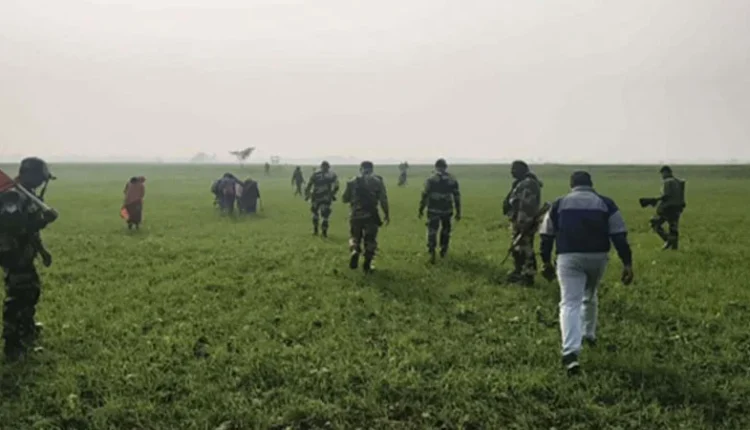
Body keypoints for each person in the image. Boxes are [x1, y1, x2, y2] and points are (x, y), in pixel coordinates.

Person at [539, 171, 634, 375]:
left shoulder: (559, 203)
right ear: (591, 183)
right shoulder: (606, 203)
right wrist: (627, 263)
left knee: (569, 303)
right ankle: (588, 334)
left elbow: (546, 235)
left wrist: (545, 261)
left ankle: (570, 353)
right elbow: (619, 235)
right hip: (598, 257)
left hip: (568, 257)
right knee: (590, 294)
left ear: (571, 184)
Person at [0, 157, 58, 361]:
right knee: (17, 296)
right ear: (30, 175)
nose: (42, 183)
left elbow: (31, 231)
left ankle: (27, 328)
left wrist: (42, 251)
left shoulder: (28, 194)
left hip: (24, 253)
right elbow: (14, 226)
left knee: (31, 291)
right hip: (12, 253)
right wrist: (44, 221)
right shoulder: (12, 196)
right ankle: (12, 343)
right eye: (41, 178)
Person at [342, 161, 390, 273]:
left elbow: (344, 198)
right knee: (370, 240)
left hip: (355, 215)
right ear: (372, 169)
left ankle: (354, 250)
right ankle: (367, 263)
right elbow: (383, 199)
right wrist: (386, 214)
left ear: (361, 169)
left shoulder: (352, 181)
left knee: (354, 237)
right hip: (371, 215)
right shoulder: (378, 181)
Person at [502, 160, 543, 285]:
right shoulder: (522, 182)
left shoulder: (528, 184)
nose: (512, 172)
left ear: (522, 170)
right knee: (518, 248)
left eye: (514, 169)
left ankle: (528, 275)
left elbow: (526, 205)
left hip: (524, 221)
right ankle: (518, 271)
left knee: (525, 249)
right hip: (518, 220)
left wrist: (524, 223)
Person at [419, 158, 461, 263]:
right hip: (447, 210)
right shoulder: (452, 179)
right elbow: (457, 197)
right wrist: (458, 211)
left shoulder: (431, 179)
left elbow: (424, 195)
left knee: (432, 231)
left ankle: (432, 252)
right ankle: (443, 250)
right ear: (445, 167)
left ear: (436, 166)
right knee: (446, 230)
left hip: (433, 210)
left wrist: (421, 209)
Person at [649, 166, 686, 250]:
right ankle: (674, 248)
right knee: (673, 228)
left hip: (668, 208)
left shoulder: (667, 182)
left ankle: (668, 240)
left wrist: (654, 199)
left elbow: (666, 195)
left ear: (666, 172)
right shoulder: (679, 181)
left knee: (655, 223)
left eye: (662, 173)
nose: (662, 176)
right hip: (678, 207)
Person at [304, 161, 340, 237]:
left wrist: (308, 194)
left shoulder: (315, 174)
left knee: (315, 214)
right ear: (328, 167)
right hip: (326, 197)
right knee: (325, 215)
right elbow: (336, 186)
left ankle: (316, 230)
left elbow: (309, 185)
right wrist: (332, 194)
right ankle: (324, 232)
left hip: (316, 197)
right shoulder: (332, 174)